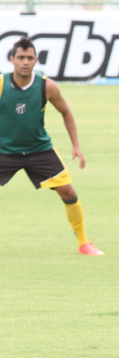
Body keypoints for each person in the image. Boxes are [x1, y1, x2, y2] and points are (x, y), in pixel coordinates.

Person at [0, 38, 103, 256]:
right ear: (12, 60)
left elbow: (66, 112)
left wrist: (76, 146)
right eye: (21, 58)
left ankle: (84, 243)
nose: (25, 62)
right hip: (4, 151)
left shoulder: (46, 86)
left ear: (36, 60)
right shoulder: (1, 84)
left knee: (68, 191)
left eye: (29, 58)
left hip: (39, 150)